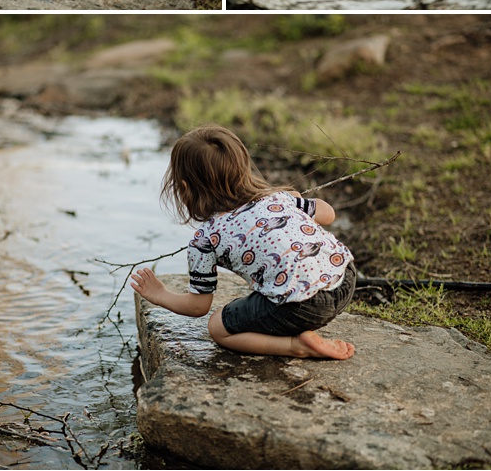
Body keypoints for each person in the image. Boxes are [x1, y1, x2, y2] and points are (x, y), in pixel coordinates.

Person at [131, 124, 357, 360]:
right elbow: (328, 213)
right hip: (345, 278)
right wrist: (295, 202)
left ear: (185, 187)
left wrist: (161, 294)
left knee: (218, 327)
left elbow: (198, 307)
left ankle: (295, 345)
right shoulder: (276, 197)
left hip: (303, 307)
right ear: (242, 167)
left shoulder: (205, 239)